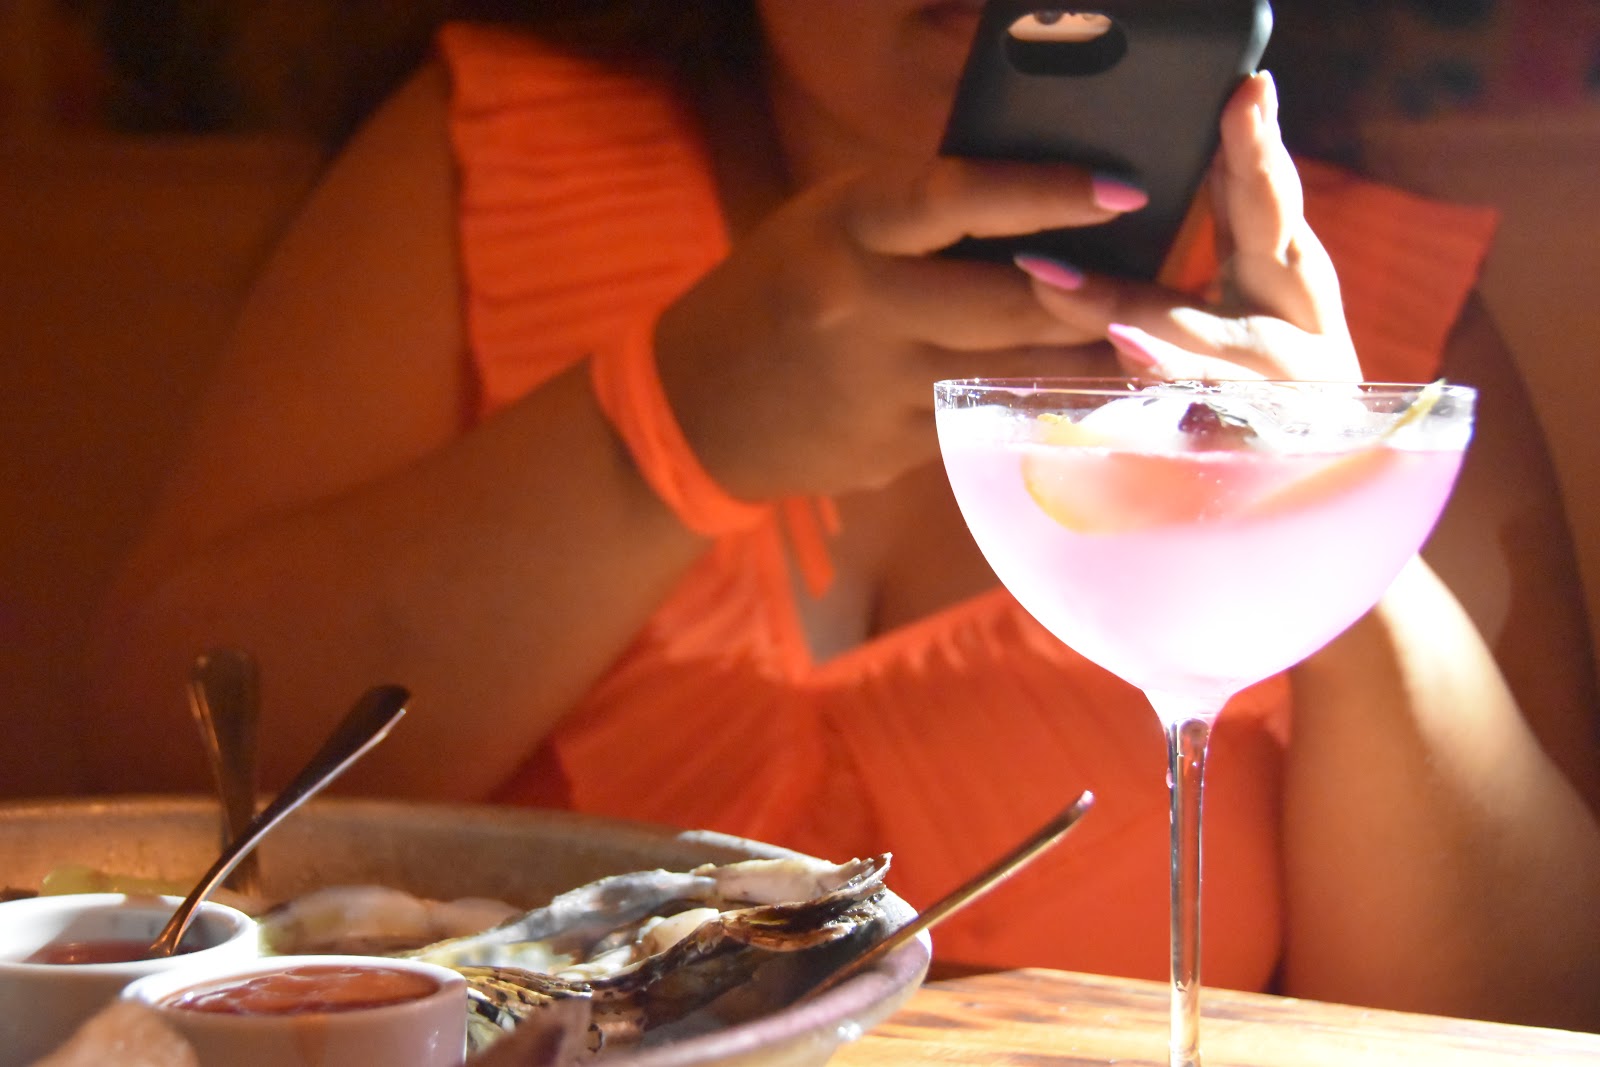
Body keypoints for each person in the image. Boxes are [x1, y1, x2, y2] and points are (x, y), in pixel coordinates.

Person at [82, 0, 1600, 1031]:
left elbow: (1536, 1014)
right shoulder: (484, 159)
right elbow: (154, 814)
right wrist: (664, 424)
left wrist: (1321, 508)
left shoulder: (1385, 327)